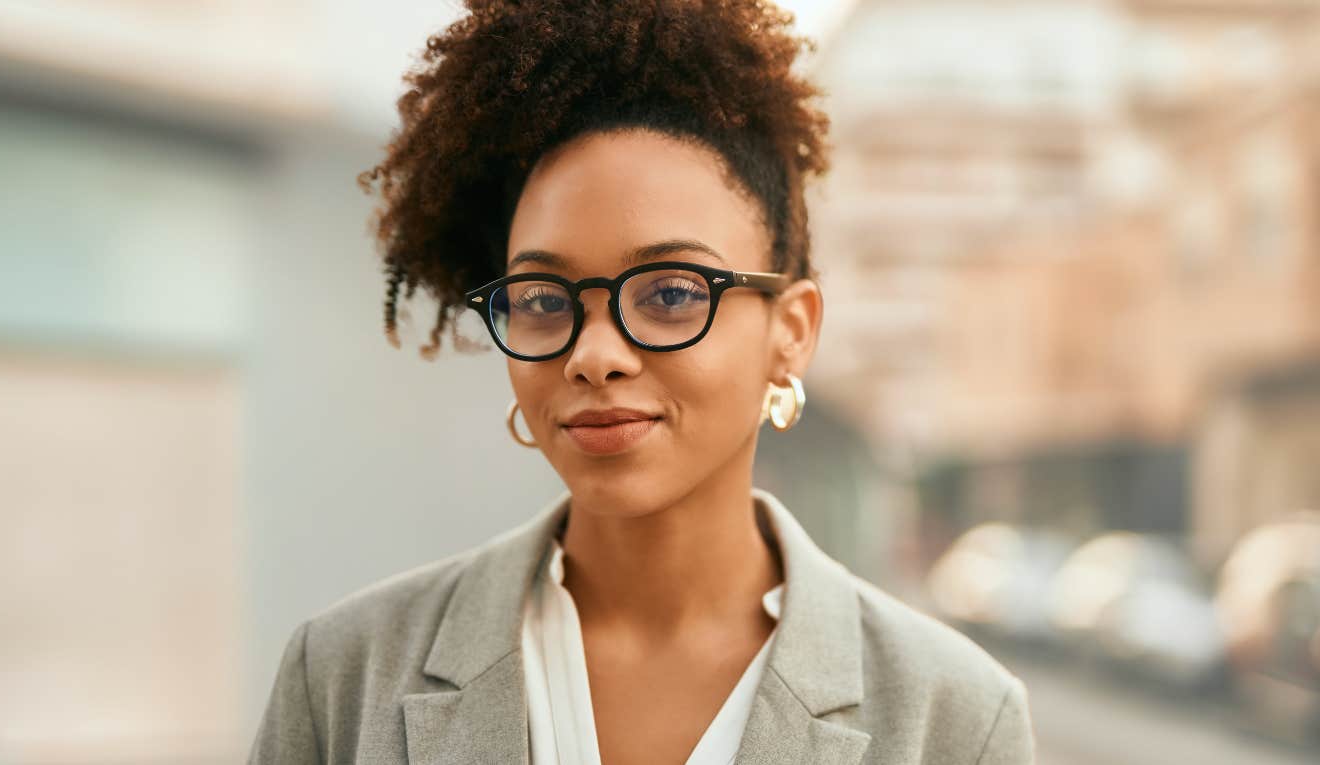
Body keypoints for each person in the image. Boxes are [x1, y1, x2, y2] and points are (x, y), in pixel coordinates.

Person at [249, 1, 1037, 763]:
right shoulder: (344, 678)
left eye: (669, 293)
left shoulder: (956, 718)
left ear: (789, 332)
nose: (594, 354)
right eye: (542, 300)